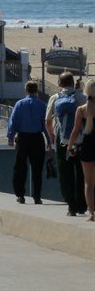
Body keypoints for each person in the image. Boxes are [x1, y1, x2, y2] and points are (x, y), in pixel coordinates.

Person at [45, 71, 87, 216]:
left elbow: (48, 121)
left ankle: (71, 206)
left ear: (59, 83)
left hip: (62, 140)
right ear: (73, 82)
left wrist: (52, 135)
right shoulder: (82, 97)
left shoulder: (55, 98)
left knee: (65, 173)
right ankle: (82, 204)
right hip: (80, 141)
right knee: (81, 173)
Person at [7, 80, 49, 204]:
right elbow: (45, 124)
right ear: (36, 91)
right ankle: (37, 196)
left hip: (23, 138)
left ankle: (20, 195)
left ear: (26, 90)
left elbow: (13, 121)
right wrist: (49, 141)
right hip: (37, 138)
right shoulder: (42, 105)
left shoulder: (19, 104)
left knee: (20, 167)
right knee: (37, 168)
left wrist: (10, 136)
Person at [66, 79, 95, 221]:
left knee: (88, 182)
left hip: (87, 147)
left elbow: (75, 131)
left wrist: (69, 146)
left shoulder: (82, 109)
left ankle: (91, 212)